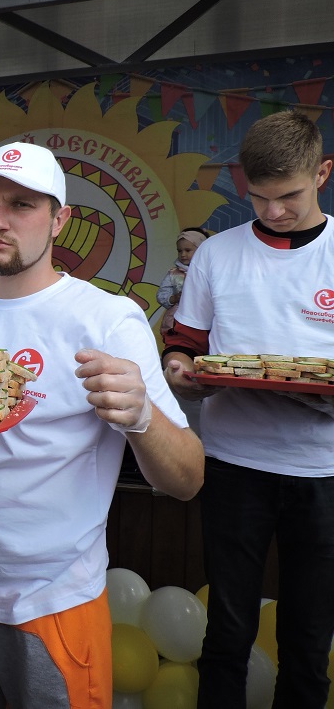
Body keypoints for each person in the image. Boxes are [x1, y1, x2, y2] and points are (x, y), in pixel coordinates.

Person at [0, 141, 203, 707]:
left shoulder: (106, 319)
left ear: (60, 220)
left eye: (22, 205)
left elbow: (188, 478)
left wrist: (142, 417)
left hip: (53, 606)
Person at [163, 110, 334, 709]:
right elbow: (185, 345)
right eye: (259, 198)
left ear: (323, 174)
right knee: (228, 630)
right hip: (234, 464)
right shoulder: (217, 255)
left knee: (309, 639)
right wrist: (184, 373)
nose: (273, 212)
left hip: (323, 471)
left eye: (288, 196)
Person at [156, 228, 208, 336]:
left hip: (204, 320)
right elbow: (161, 294)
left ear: (201, 250)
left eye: (188, 250)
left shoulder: (210, 272)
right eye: (179, 251)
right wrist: (173, 298)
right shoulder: (173, 273)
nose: (183, 254)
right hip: (176, 322)